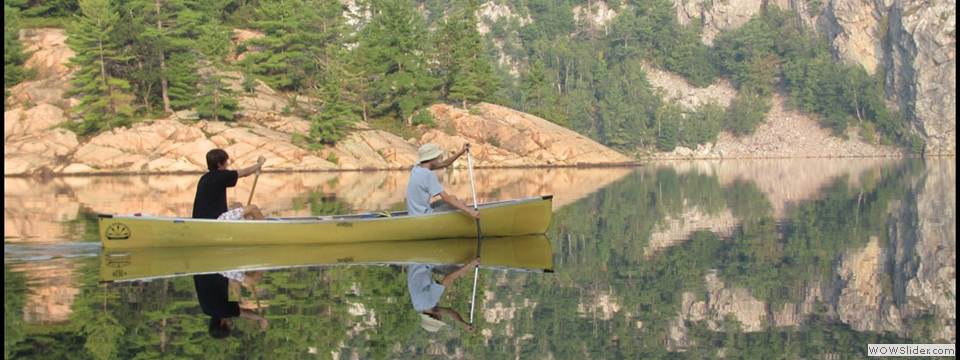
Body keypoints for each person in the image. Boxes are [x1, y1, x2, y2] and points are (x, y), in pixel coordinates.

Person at [405, 143, 481, 219]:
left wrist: (461, 152)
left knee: (453, 197)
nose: (439, 157)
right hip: (423, 215)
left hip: (416, 212)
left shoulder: (417, 168)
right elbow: (446, 199)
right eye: (437, 156)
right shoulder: (428, 174)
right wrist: (470, 211)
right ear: (433, 158)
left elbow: (445, 163)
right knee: (461, 203)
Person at [407, 258, 481, 333]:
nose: (441, 317)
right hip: (415, 265)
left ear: (437, 318)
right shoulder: (418, 307)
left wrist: (470, 265)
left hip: (424, 262)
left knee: (461, 270)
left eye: (439, 320)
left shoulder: (430, 302)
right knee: (460, 271)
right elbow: (450, 311)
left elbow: (448, 278)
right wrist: (464, 323)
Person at [192, 149, 267, 220]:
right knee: (253, 208)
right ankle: (267, 231)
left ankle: (248, 227)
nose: (227, 164)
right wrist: (260, 163)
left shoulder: (205, 177)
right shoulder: (222, 175)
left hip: (205, 216)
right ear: (219, 164)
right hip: (214, 219)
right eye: (225, 162)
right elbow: (245, 172)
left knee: (238, 205)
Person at [194, 270, 268, 339]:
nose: (230, 322)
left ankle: (266, 260)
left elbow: (247, 313)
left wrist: (261, 319)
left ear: (222, 323)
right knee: (245, 275)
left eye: (229, 324)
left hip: (219, 270)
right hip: (202, 271)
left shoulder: (223, 313)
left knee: (254, 280)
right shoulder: (206, 310)